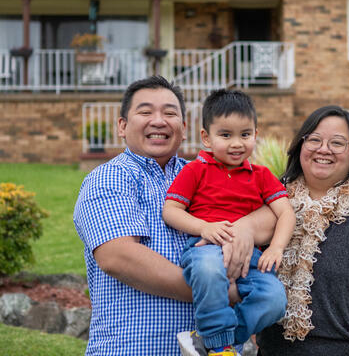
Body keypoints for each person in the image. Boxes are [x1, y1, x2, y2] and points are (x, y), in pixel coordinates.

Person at [73, 76, 276, 355]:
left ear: (183, 129)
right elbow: (118, 257)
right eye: (145, 112)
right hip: (135, 348)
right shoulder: (110, 178)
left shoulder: (203, 172)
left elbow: (273, 214)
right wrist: (217, 293)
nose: (158, 121)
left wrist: (244, 228)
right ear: (122, 126)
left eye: (170, 113)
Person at [257, 105, 349, 356]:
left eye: (337, 143)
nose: (324, 149)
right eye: (314, 139)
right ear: (300, 146)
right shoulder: (272, 206)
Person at [162, 89, 295, 356]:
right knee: (209, 271)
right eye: (226, 135)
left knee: (274, 300)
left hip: (252, 258)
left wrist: (276, 248)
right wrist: (204, 227)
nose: (236, 143)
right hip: (207, 247)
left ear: (256, 134)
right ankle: (220, 344)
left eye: (245, 134)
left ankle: (212, 341)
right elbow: (171, 210)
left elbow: (286, 213)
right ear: (206, 138)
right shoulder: (195, 170)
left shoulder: (261, 175)